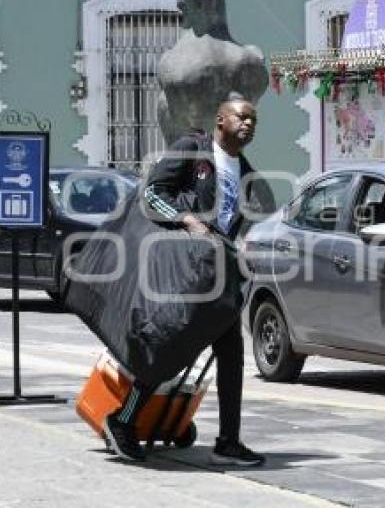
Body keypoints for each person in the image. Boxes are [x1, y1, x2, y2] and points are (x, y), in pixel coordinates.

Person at [103, 95, 275, 464]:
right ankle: (123, 420)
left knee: (232, 354)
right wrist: (187, 219)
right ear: (220, 118)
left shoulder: (244, 170)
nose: (248, 125)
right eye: (242, 117)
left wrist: (239, 246)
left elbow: (229, 222)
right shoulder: (192, 149)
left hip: (216, 275)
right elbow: (152, 194)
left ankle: (228, 441)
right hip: (182, 271)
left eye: (254, 121)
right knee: (170, 346)